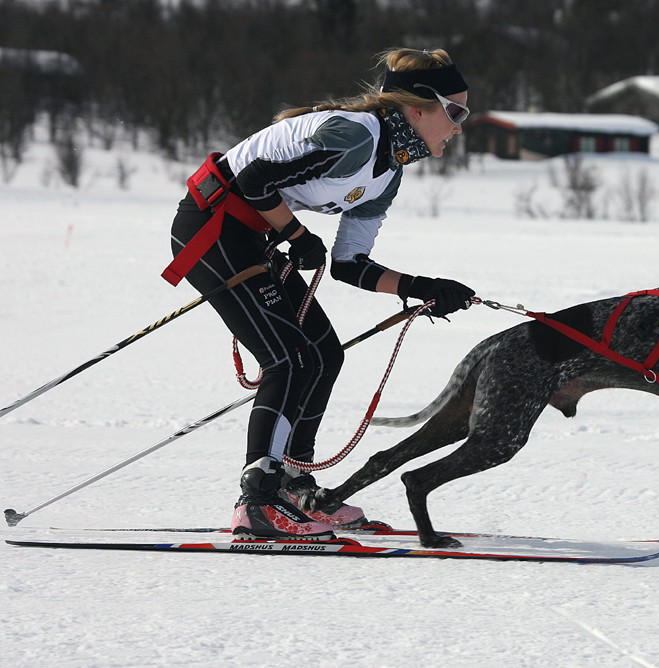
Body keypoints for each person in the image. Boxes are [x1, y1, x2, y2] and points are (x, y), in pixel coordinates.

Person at [165, 48, 476, 538]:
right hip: (214, 226)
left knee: (323, 355)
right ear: (418, 107)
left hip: (254, 236)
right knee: (288, 359)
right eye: (455, 113)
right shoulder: (357, 135)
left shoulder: (388, 170)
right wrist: (296, 235)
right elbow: (253, 180)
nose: (459, 127)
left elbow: (351, 266)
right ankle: (259, 501)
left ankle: (292, 484)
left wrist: (421, 288)